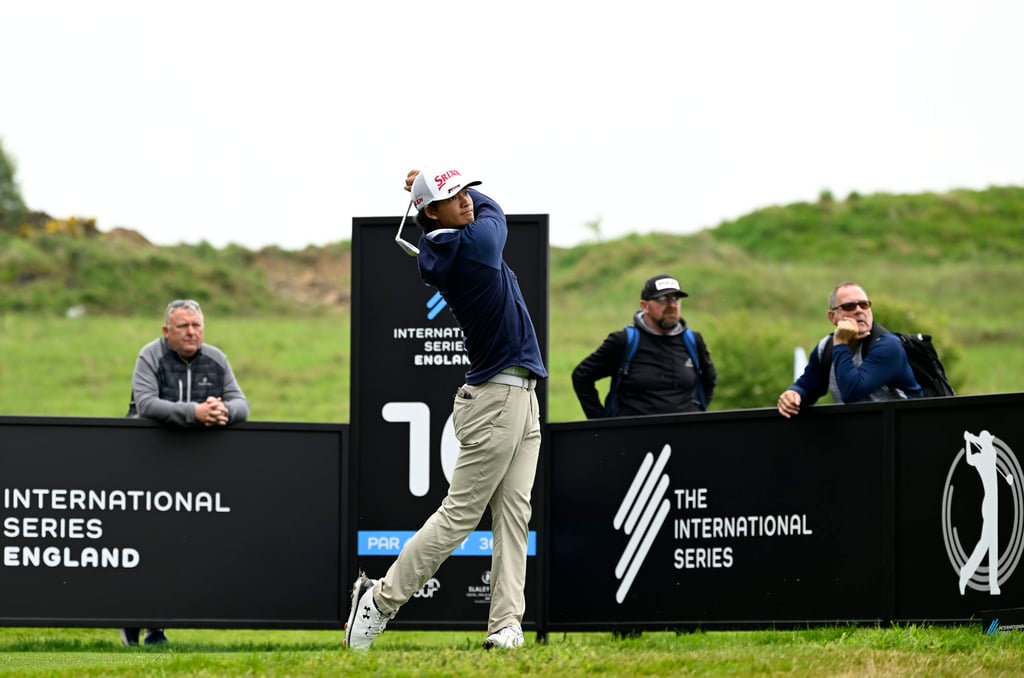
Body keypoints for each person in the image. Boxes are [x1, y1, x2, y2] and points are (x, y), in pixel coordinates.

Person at [344, 168, 547, 652]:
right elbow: (496, 213)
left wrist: (436, 183)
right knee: (459, 515)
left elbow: (474, 209)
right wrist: (452, 187)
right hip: (496, 399)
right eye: (452, 196)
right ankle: (379, 601)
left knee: (515, 514)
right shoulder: (466, 244)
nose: (466, 201)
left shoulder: (454, 234)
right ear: (429, 212)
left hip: (521, 396)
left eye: (464, 190)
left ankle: (505, 624)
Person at [121, 298, 249, 646]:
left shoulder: (216, 358)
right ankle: (133, 622)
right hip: (148, 465)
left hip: (194, 469)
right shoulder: (150, 355)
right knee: (145, 546)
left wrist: (221, 411)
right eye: (183, 327)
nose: (192, 333)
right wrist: (194, 413)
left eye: (197, 326)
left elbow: (242, 404)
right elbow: (145, 403)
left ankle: (156, 628)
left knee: (177, 550)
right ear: (166, 331)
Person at [571, 274, 717, 418]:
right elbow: (582, 376)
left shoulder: (693, 341)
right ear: (644, 306)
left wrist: (697, 413)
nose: (672, 305)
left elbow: (709, 379)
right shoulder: (624, 341)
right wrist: (600, 423)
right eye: (662, 299)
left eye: (675, 299)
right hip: (633, 437)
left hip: (683, 436)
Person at [777, 281, 922, 418]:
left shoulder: (888, 346)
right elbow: (809, 386)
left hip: (901, 433)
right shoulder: (826, 347)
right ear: (832, 316)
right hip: (858, 434)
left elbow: (852, 392)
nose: (859, 311)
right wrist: (794, 394)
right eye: (849, 306)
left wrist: (841, 343)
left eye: (864, 305)